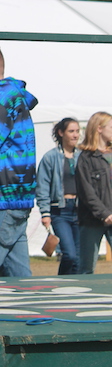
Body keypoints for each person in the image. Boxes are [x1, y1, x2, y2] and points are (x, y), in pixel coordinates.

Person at [0, 41, 37, 277]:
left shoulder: (0, 99)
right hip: (15, 201)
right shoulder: (11, 97)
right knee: (19, 279)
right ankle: (30, 313)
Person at [36, 117, 81, 274]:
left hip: (80, 210)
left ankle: (76, 291)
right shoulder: (51, 157)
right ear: (61, 133)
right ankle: (63, 283)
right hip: (60, 210)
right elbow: (42, 185)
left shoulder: (81, 156)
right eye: (71, 131)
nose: (75, 135)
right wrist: (45, 212)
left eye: (77, 131)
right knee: (69, 254)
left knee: (79, 258)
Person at [76, 111, 112, 274]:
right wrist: (104, 213)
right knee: (86, 268)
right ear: (99, 128)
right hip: (92, 220)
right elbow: (86, 191)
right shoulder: (86, 158)